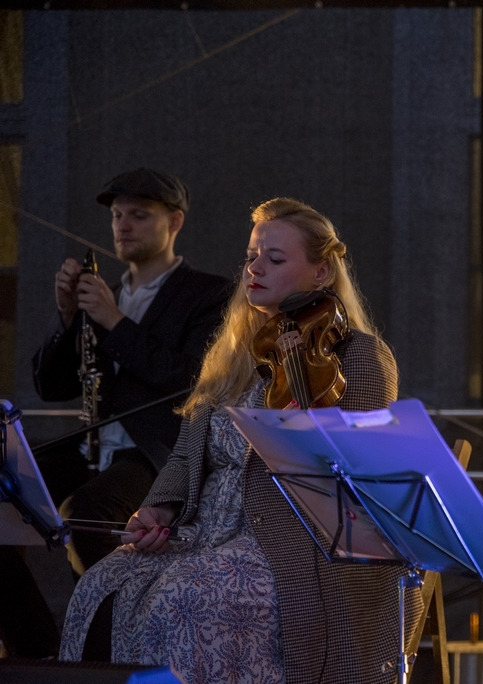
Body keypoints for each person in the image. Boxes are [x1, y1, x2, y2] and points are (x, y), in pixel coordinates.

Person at [58, 198, 418, 684]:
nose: (255, 267)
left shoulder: (358, 355)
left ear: (321, 272)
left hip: (291, 544)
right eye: (251, 256)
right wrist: (158, 509)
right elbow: (186, 455)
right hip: (205, 531)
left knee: (185, 598)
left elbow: (358, 474)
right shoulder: (232, 357)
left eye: (275, 258)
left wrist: (304, 426)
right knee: (100, 585)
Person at [0, 168, 231, 658]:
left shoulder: (208, 294)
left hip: (158, 452)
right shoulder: (105, 292)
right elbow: (52, 385)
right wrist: (68, 318)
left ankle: (107, 651)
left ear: (175, 222)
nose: (123, 225)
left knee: (85, 511)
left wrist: (115, 321)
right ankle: (40, 652)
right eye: (117, 215)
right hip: (94, 445)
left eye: (139, 215)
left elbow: (195, 379)